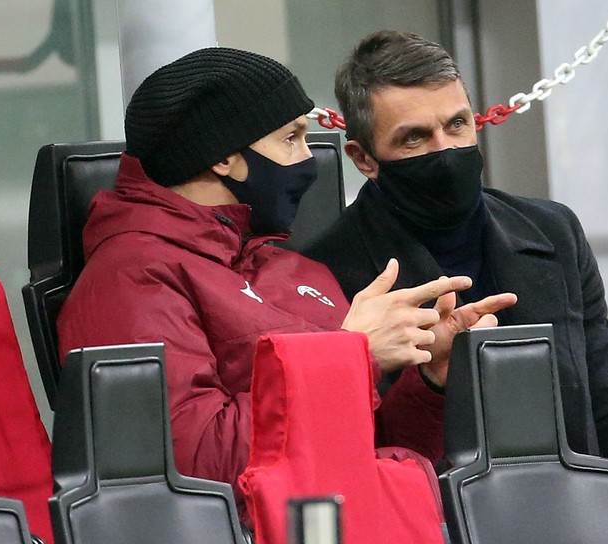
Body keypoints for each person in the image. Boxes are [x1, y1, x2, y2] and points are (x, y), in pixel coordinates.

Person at [56, 46, 516, 519]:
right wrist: (351, 355)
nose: (310, 160)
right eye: (291, 138)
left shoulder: (290, 267)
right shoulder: (131, 278)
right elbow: (189, 467)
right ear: (225, 159)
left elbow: (367, 445)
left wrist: (431, 379)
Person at [304, 30, 608, 539]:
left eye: (456, 125)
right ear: (364, 159)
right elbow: (356, 447)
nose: (445, 149)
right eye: (414, 138)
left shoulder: (553, 231)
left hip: (580, 514)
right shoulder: (322, 271)